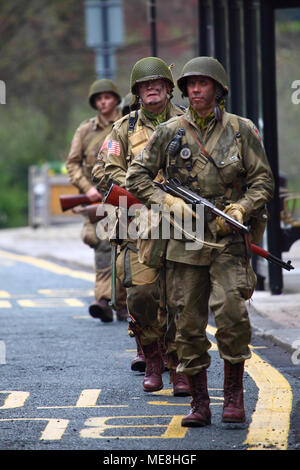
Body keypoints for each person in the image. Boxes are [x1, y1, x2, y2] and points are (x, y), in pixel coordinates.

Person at [126, 56, 274, 426]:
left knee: (232, 314)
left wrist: (241, 208)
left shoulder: (241, 131)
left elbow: (264, 181)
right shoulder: (169, 132)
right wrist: (168, 202)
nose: (194, 90)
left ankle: (234, 396)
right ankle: (200, 401)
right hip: (184, 242)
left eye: (202, 84)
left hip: (227, 240)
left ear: (218, 90)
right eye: (190, 84)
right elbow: (136, 176)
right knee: (188, 325)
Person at [92, 57, 190, 396]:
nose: (151, 89)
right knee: (142, 295)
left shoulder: (186, 123)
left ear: (167, 88)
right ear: (137, 92)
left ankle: (178, 366)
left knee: (179, 298)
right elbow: (104, 170)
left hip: (179, 223)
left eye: (157, 84)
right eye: (144, 85)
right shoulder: (124, 128)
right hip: (136, 223)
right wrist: (139, 189)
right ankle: (151, 356)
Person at [66, 78, 128, 323]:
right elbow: (72, 163)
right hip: (97, 199)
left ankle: (122, 303)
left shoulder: (125, 124)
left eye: (107, 98)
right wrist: (86, 188)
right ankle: (103, 300)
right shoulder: (85, 130)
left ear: (115, 100)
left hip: (123, 198)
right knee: (103, 247)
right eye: (99, 99)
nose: (103, 102)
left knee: (125, 247)